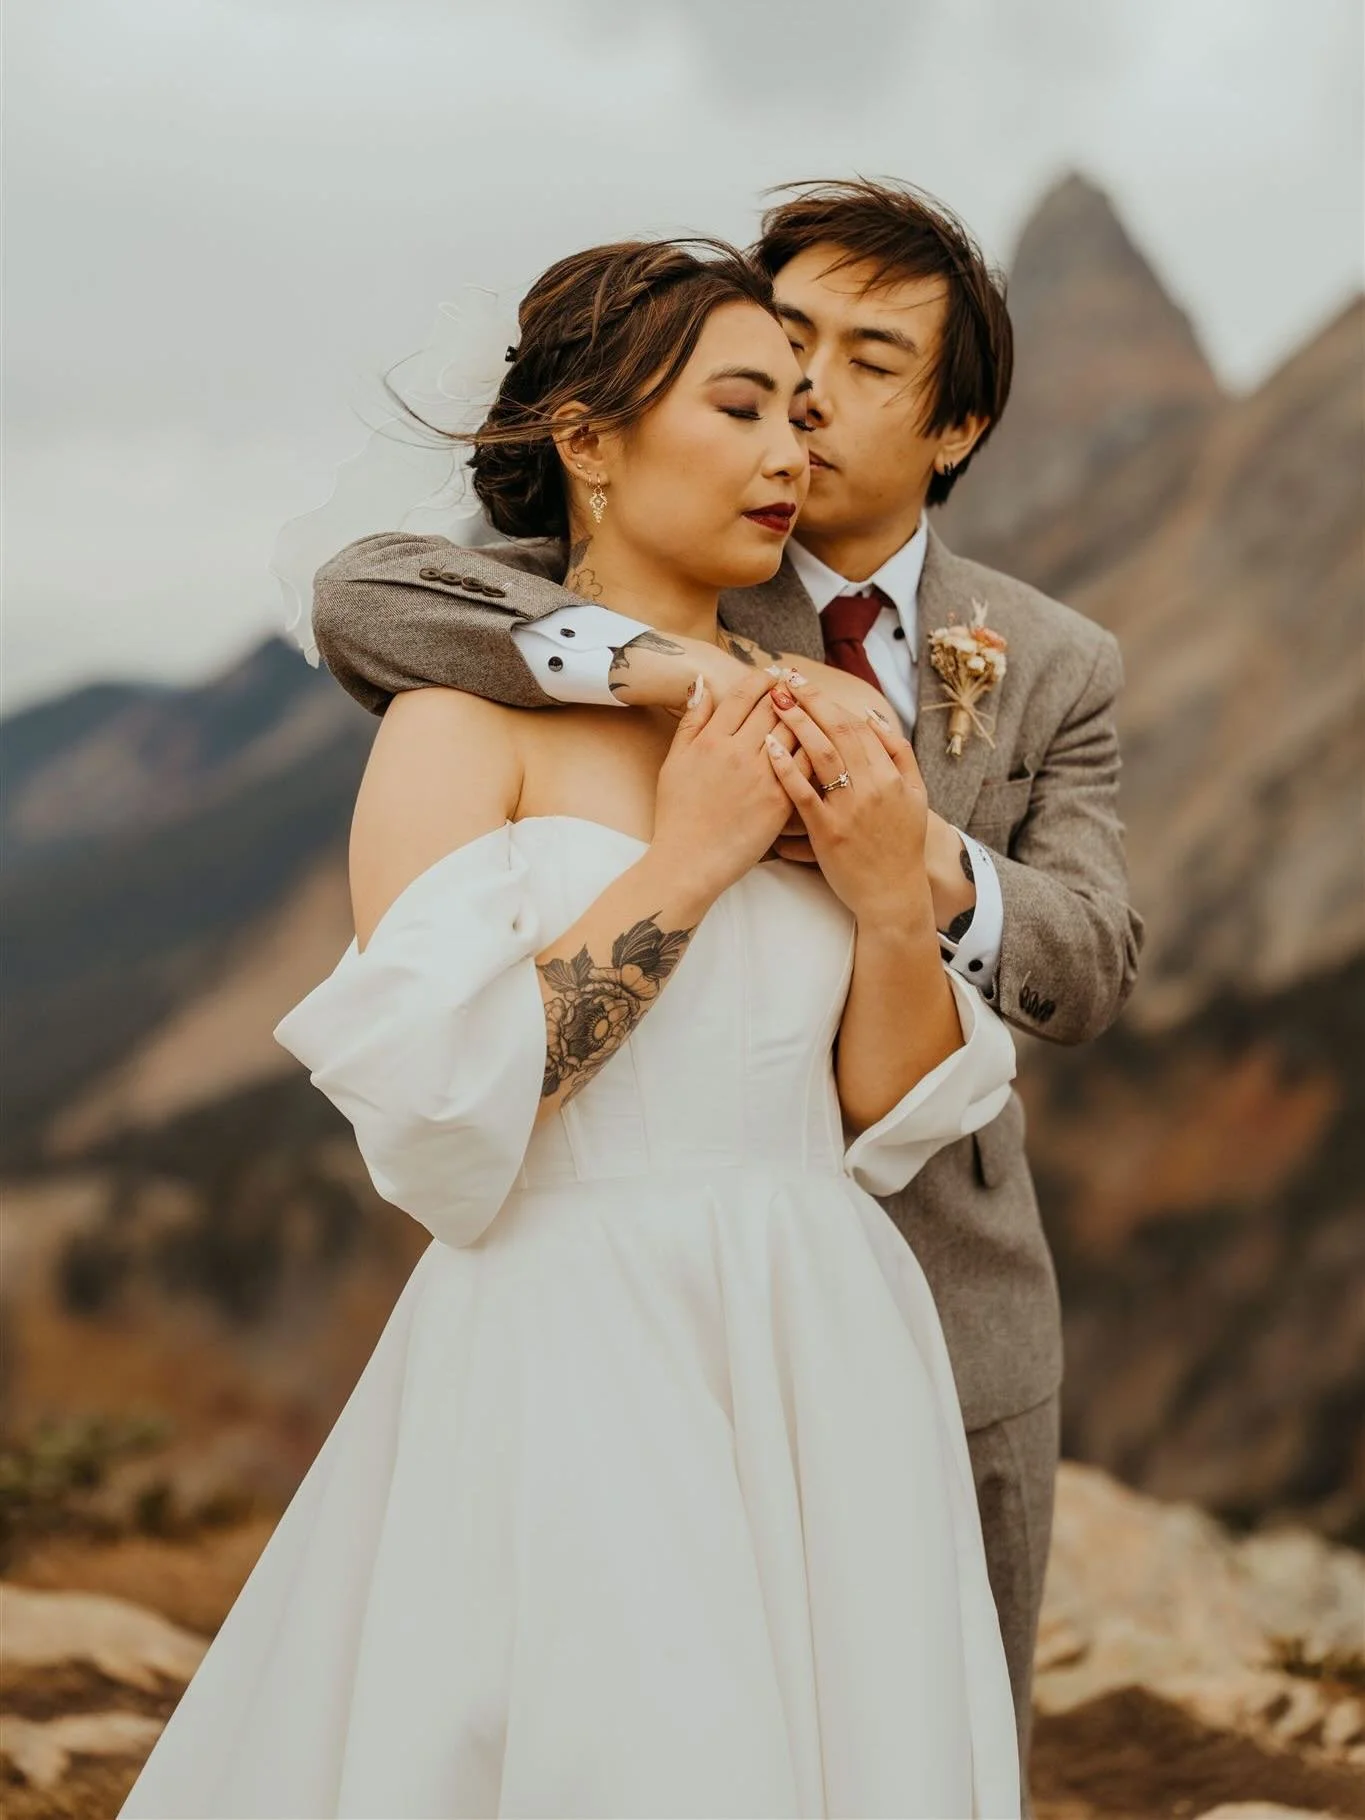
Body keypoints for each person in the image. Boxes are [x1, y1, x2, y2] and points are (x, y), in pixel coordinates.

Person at [119, 238, 1022, 1819]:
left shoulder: (824, 713)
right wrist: (692, 856)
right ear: (588, 443)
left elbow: (880, 1120)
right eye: (742, 407)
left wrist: (890, 900)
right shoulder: (456, 724)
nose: (790, 450)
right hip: (582, 1337)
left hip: (826, 1334)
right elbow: (444, 1121)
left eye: (804, 414)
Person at [307, 179, 1145, 1810]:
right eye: (779, 354)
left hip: (931, 1319)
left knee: (921, 1744)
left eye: (866, 360)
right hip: (610, 1315)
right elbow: (363, 598)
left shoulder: (1050, 660)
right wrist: (681, 674)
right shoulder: (660, 591)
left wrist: (921, 865)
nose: (810, 403)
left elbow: (1095, 958)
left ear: (956, 424)